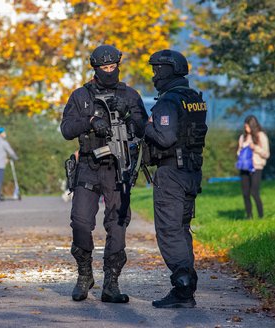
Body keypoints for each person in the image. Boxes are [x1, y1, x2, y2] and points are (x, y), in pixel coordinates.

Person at [60, 45, 147, 303]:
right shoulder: (81, 96)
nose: (110, 72)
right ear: (95, 69)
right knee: (81, 222)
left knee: (117, 224)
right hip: (88, 165)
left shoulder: (130, 95)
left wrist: (129, 114)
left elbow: (143, 128)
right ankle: (85, 274)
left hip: (117, 169)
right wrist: (89, 122)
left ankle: (111, 282)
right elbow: (66, 129)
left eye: (113, 67)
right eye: (105, 68)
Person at [144, 49, 208, 308]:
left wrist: (146, 125)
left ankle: (182, 286)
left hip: (171, 173)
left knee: (170, 231)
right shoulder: (194, 98)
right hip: (191, 172)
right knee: (182, 229)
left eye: (155, 69)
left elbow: (165, 137)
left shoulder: (169, 101)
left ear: (166, 70)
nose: (153, 75)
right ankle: (186, 291)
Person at [237, 115, 270, 219]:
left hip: (256, 167)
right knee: (245, 193)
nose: (245, 128)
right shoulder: (243, 137)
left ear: (252, 125)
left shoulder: (261, 136)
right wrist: (241, 152)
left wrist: (254, 147)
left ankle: (261, 216)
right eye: (245, 126)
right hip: (244, 168)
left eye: (247, 126)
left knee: (254, 192)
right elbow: (238, 151)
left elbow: (266, 154)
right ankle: (249, 216)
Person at [0, 126, 18, 202]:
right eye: (3, 132)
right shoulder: (3, 142)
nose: (5, 133)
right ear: (0, 133)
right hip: (0, 164)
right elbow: (10, 151)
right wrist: (15, 158)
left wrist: (5, 158)